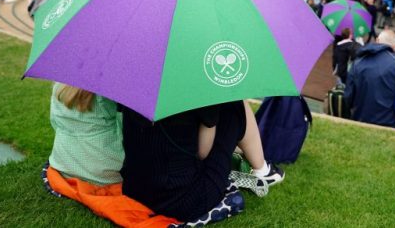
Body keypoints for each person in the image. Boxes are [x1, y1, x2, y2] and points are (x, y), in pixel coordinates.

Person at [121, 100, 283, 222]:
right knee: (236, 106)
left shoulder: (135, 77)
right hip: (186, 202)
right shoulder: (202, 86)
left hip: (134, 188)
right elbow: (203, 152)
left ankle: (251, 159)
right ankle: (262, 170)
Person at [49, 83, 124, 185]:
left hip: (63, 163)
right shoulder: (107, 92)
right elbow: (125, 130)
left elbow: (55, 122)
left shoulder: (59, 86)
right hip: (105, 173)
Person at [344, 29, 395, 128]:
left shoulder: (359, 61)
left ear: (377, 40)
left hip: (360, 118)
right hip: (388, 123)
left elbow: (348, 95)